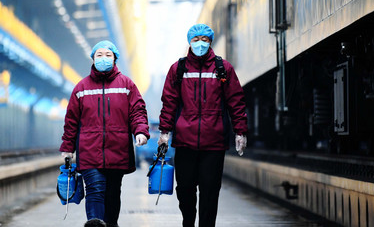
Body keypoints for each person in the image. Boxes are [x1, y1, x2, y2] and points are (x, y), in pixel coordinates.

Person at [158, 24, 248, 227]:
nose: (200, 44)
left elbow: (235, 100)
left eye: (204, 40)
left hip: (213, 143)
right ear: (189, 42)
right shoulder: (178, 69)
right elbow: (169, 103)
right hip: (184, 142)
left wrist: (240, 131)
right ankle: (188, 222)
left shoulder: (222, 68)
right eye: (196, 40)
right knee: (185, 190)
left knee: (210, 191)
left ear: (210, 42)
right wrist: (165, 132)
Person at [60, 40, 150, 227]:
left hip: (118, 150)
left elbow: (137, 111)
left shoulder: (127, 85)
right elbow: (71, 121)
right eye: (99, 55)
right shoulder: (81, 88)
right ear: (92, 59)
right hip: (89, 150)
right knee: (94, 189)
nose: (103, 58)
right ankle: (94, 224)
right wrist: (67, 148)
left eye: (108, 55)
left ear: (115, 59)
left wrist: (140, 131)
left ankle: (111, 224)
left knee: (112, 193)